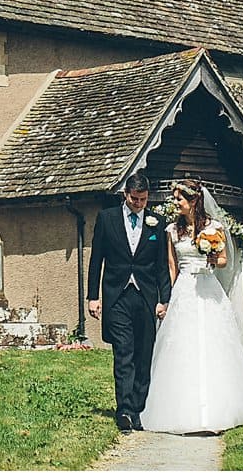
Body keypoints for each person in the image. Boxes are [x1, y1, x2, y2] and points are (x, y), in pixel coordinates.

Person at [139, 178, 243, 435]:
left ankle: (218, 409)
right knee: (183, 345)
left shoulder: (213, 228)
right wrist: (169, 298)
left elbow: (224, 260)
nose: (176, 203)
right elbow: (172, 267)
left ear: (193, 201)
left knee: (213, 343)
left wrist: (212, 257)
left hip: (207, 286)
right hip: (184, 291)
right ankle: (182, 410)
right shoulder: (171, 231)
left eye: (180, 198)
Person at [86, 174, 173, 431]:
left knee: (144, 354)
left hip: (146, 296)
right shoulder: (107, 219)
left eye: (143, 200)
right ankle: (123, 410)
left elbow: (161, 267)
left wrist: (164, 300)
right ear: (126, 194)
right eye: (134, 199)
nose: (138, 204)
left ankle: (138, 409)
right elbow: (96, 260)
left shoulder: (157, 223)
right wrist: (93, 297)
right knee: (123, 351)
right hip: (118, 295)